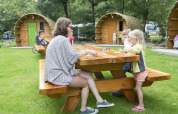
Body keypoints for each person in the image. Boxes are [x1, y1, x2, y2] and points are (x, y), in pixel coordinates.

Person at [44, 17, 114, 114]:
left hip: (55, 73)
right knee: (85, 83)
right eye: (70, 27)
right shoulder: (63, 40)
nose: (72, 29)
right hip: (58, 75)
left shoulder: (58, 39)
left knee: (89, 74)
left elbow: (68, 55)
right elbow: (74, 56)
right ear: (64, 27)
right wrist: (88, 51)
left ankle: (100, 101)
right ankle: (83, 110)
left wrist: (73, 70)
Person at [125, 29, 147, 111]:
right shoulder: (137, 46)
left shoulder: (139, 46)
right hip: (137, 71)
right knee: (137, 87)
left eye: (130, 39)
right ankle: (140, 103)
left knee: (138, 88)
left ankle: (141, 106)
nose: (129, 41)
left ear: (136, 39)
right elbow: (131, 50)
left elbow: (130, 49)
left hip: (141, 71)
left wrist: (126, 42)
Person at [112, 29, 131, 97]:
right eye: (122, 37)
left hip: (130, 63)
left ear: (130, 38)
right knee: (116, 70)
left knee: (119, 72)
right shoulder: (127, 44)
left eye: (125, 37)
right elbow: (127, 51)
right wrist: (123, 51)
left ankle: (121, 90)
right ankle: (121, 90)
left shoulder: (129, 44)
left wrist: (126, 48)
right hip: (126, 61)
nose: (123, 39)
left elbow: (130, 51)